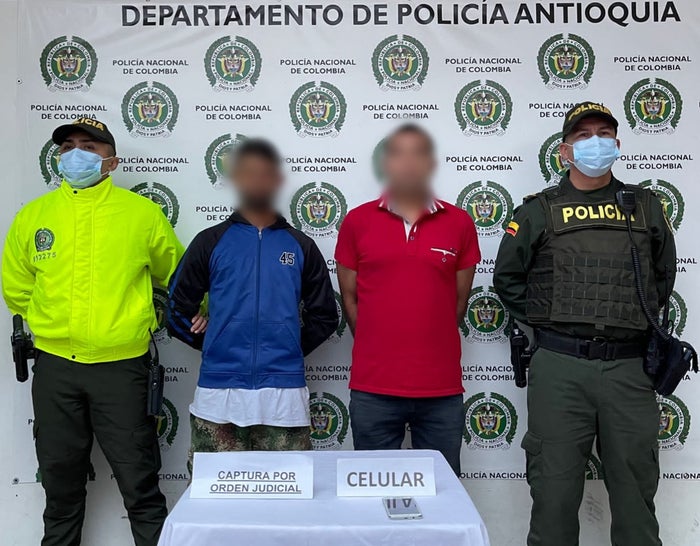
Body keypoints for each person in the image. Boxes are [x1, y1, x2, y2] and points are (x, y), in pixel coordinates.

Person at [493, 102, 675, 546]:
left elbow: (661, 277)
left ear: (618, 143)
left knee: (636, 500)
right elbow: (508, 279)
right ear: (565, 151)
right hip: (560, 366)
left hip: (629, 368)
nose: (596, 142)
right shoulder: (538, 211)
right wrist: (552, 318)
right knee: (553, 498)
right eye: (583, 135)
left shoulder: (645, 207)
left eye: (605, 133)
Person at [2, 118, 184, 546]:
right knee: (60, 487)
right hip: (55, 370)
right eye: (68, 146)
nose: (76, 154)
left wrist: (207, 312)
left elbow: (178, 276)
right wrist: (54, 327)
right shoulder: (33, 216)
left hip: (122, 370)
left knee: (141, 485)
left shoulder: (142, 215)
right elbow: (17, 288)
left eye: (89, 146)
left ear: (112, 161)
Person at [167, 139, 337, 464]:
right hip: (218, 396)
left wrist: (286, 347)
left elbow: (325, 316)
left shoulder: (300, 245)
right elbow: (175, 310)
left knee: (286, 491)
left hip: (284, 399)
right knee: (213, 491)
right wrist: (216, 341)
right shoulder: (210, 241)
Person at [335, 124, 481, 474]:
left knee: (442, 494)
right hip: (373, 389)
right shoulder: (357, 221)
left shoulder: (459, 222)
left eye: (418, 153)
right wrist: (377, 344)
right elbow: (350, 300)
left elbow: (458, 303)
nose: (408, 163)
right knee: (373, 492)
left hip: (441, 391)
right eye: (398, 154)